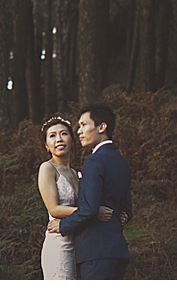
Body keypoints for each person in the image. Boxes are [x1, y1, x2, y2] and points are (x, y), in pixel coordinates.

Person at [47, 104, 133, 279]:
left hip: (96, 251)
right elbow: (127, 211)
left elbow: (90, 209)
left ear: (102, 127)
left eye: (84, 125)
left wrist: (63, 225)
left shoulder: (94, 161)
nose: (79, 131)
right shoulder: (121, 161)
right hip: (117, 249)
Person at [37, 114, 117, 280]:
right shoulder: (47, 168)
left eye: (64, 134)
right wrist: (94, 212)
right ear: (46, 145)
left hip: (81, 244)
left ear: (72, 140)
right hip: (59, 242)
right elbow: (54, 209)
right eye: (52, 136)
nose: (59, 139)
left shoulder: (77, 173)